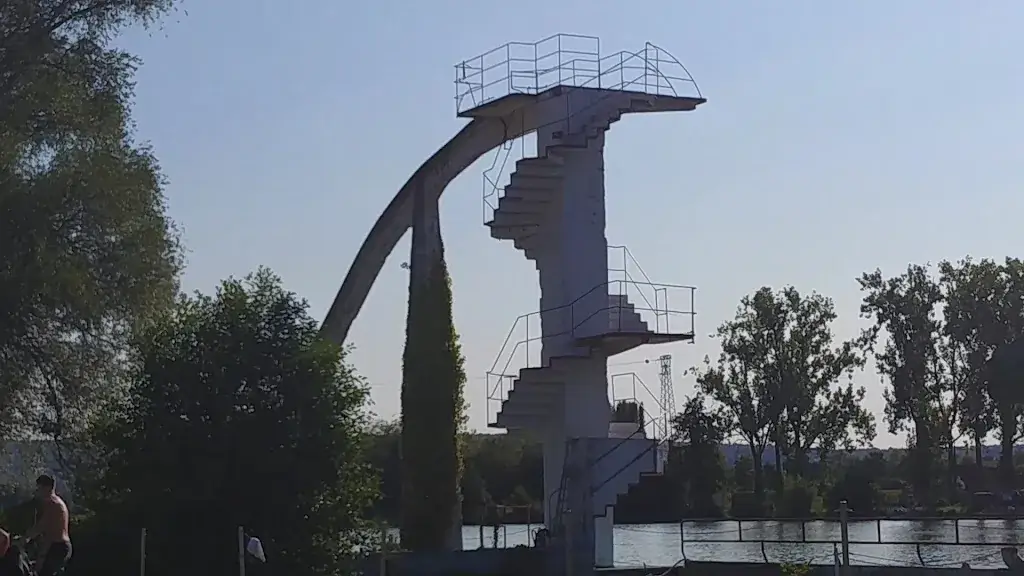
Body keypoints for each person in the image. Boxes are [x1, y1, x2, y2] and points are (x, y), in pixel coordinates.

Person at [24, 475, 70, 576]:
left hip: (57, 546)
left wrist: (24, 539)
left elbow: (41, 527)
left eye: (39, 488)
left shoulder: (53, 504)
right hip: (60, 546)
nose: (38, 491)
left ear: (47, 487)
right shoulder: (57, 502)